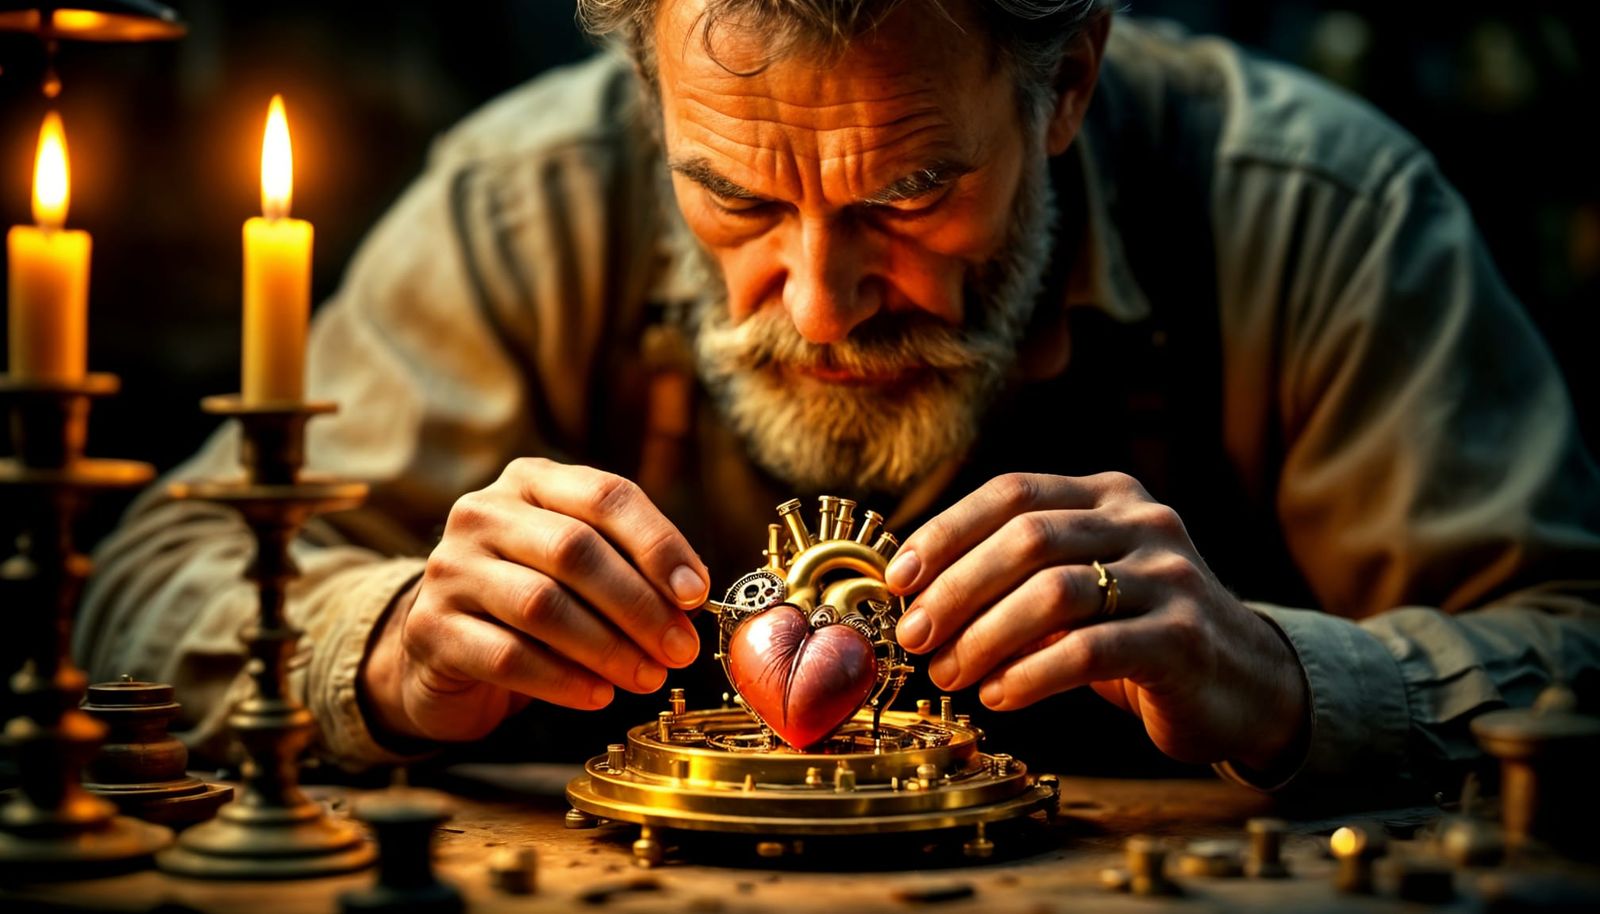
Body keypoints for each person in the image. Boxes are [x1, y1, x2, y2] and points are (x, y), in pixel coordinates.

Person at [78, 0, 1600, 796]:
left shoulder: (1314, 212)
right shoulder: (522, 203)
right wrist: (391, 645)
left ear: (1066, 82)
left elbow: (1574, 645)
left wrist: (1286, 681)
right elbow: (141, 594)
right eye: (731, 198)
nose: (817, 298)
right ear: (651, 91)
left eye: (911, 190)